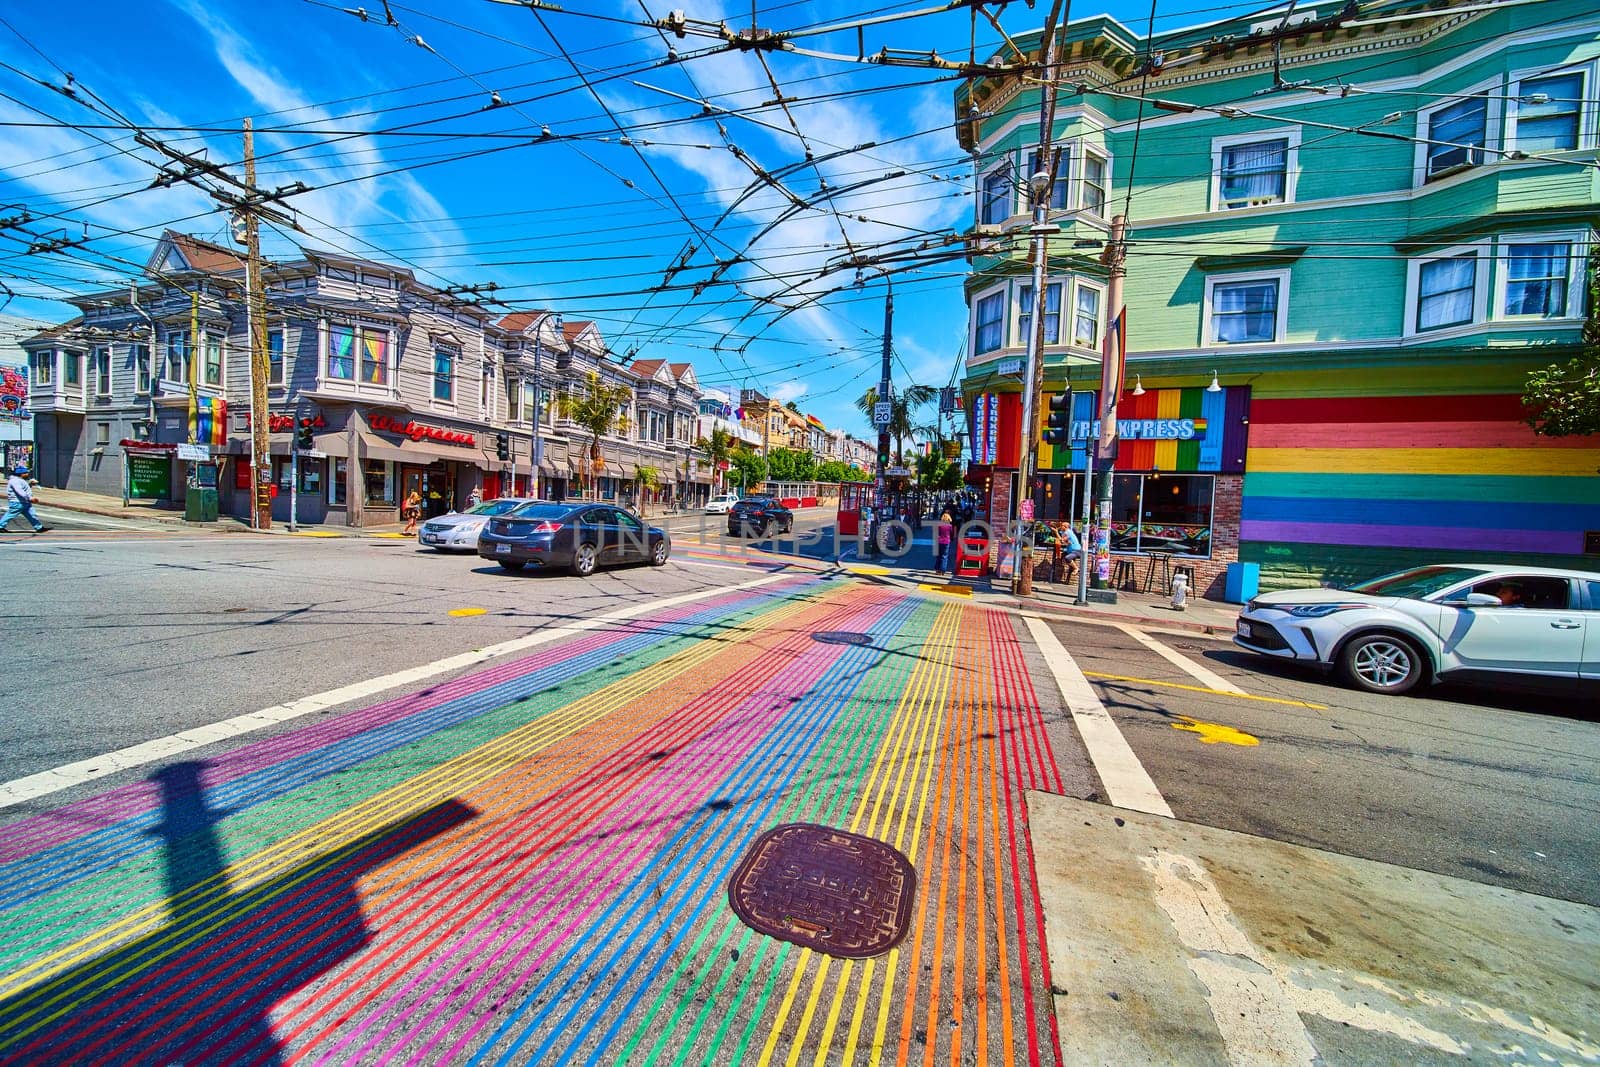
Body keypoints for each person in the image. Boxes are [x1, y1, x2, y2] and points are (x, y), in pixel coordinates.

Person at [2, 465, 47, 534]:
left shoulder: (20, 480)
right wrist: (30, 498)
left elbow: (24, 489)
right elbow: (20, 491)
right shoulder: (15, 481)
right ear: (21, 474)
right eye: (26, 473)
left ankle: (39, 527)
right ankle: (0, 526)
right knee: (10, 514)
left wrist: (30, 484)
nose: (27, 474)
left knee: (32, 515)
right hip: (17, 502)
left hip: (24, 502)